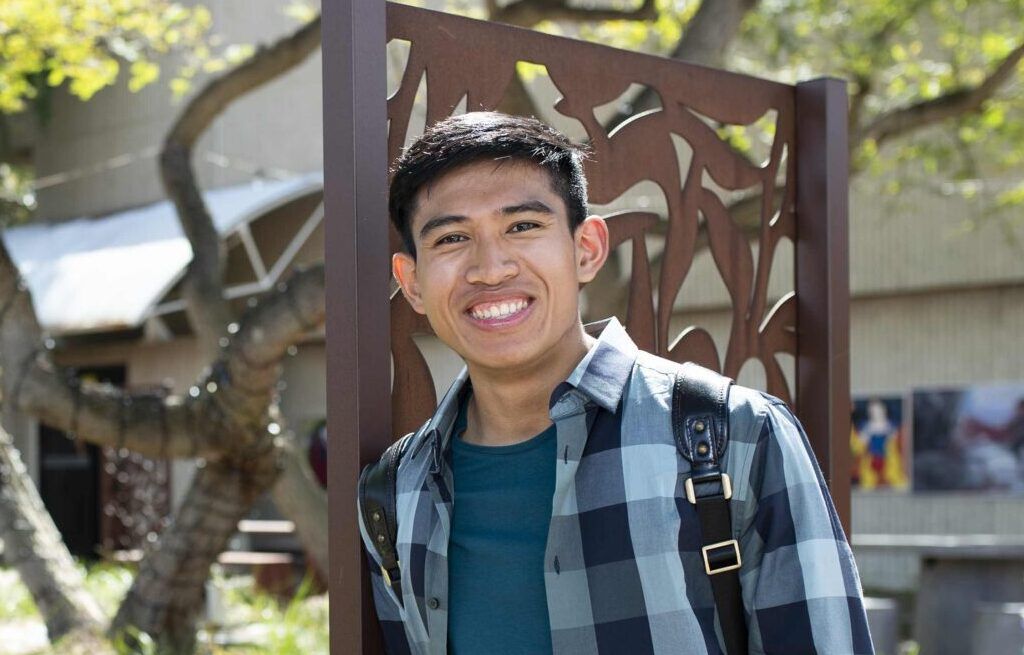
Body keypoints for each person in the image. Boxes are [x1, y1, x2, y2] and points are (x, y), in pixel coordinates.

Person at [357, 111, 874, 654]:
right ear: (412, 283)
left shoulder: (731, 434)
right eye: (453, 238)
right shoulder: (393, 491)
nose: (490, 268)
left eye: (523, 227)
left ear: (587, 250)